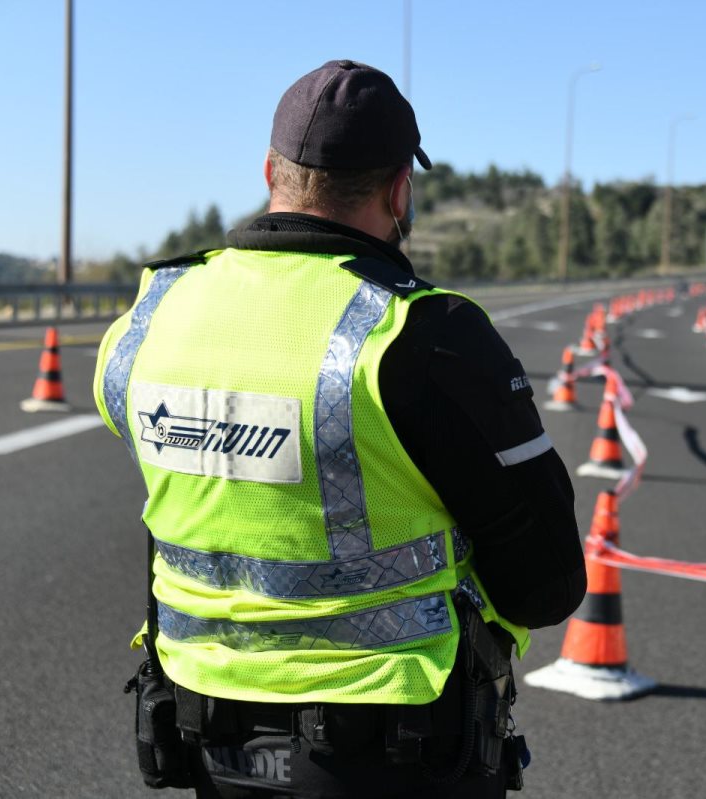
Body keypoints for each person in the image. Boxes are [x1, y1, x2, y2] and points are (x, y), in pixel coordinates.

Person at [93, 59, 586, 798]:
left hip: (205, 736)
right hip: (394, 750)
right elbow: (546, 582)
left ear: (270, 171)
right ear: (398, 190)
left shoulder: (148, 319)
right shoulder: (423, 333)